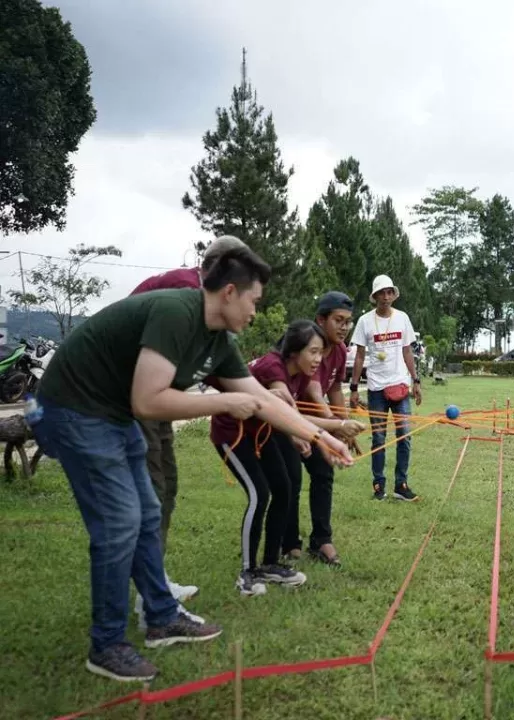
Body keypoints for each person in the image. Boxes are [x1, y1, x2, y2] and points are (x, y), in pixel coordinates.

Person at [31, 246, 353, 682]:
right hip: (74, 406)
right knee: (121, 521)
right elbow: (150, 400)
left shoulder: (217, 341)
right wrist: (226, 399)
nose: (257, 313)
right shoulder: (177, 312)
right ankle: (107, 645)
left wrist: (321, 436)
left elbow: (260, 400)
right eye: (255, 302)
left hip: (114, 412)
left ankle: (162, 617)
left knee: (147, 512)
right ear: (230, 292)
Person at [128, 235, 247, 615]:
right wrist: (230, 398)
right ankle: (150, 595)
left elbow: (216, 365)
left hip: (157, 395)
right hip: (133, 395)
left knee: (167, 483)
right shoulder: (186, 294)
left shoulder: (198, 296)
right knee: (151, 489)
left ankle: (154, 580)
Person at [210, 320, 359, 594]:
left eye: (321, 353)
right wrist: (334, 427)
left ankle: (269, 565)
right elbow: (284, 414)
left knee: (284, 489)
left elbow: (291, 414)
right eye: (313, 352)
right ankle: (247, 572)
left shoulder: (299, 373)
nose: (318, 360)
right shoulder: (272, 366)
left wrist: (313, 433)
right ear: (293, 350)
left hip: (261, 434)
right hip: (232, 434)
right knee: (260, 494)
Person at [286, 291, 365, 566]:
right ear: (321, 319)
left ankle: (321, 541)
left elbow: (333, 388)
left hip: (318, 425)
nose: (344, 327)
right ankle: (289, 542)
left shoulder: (341, 351)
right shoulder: (311, 346)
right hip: (289, 423)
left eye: (348, 322)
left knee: (323, 474)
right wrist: (337, 426)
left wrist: (343, 425)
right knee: (291, 480)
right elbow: (313, 389)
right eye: (338, 320)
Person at [349, 275, 422, 502]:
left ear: (393, 295)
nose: (386, 297)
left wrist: (416, 381)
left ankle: (401, 484)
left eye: (389, 292)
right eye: (382, 293)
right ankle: (378, 486)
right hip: (376, 389)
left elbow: (407, 352)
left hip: (400, 387)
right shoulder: (365, 322)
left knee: (404, 436)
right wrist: (353, 388)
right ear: (375, 296)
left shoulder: (402, 319)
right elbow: (359, 355)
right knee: (379, 438)